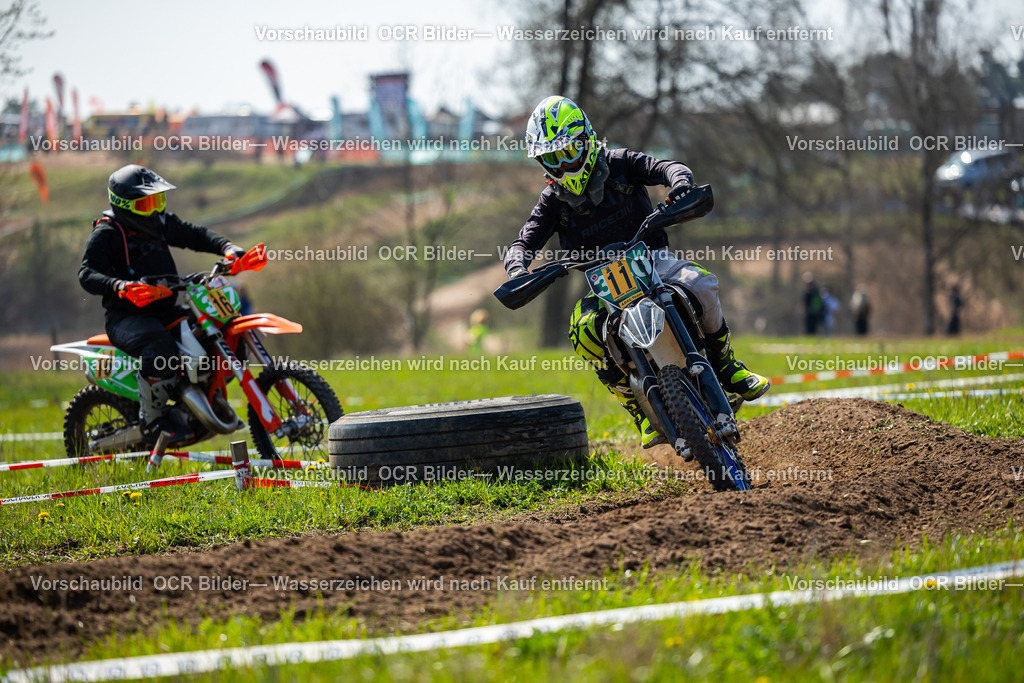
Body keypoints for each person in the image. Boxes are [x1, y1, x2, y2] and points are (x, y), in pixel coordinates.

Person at [503, 96, 770, 448]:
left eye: (568, 153)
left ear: (586, 141)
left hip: (652, 258)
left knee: (701, 283)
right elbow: (524, 240)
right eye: (553, 159)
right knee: (582, 332)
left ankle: (727, 366)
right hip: (601, 283)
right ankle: (639, 410)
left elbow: (667, 167)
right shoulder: (551, 201)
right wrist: (518, 267)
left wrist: (679, 186)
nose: (564, 166)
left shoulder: (620, 162)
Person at [78, 164, 249, 443]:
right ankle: (152, 421)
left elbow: (194, 234)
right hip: (126, 319)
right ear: (125, 205)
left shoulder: (160, 223)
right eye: (147, 203)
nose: (155, 209)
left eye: (158, 200)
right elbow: (86, 274)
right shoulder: (107, 233)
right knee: (161, 348)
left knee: (212, 332)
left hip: (165, 310)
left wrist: (226, 247)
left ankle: (202, 398)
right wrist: (119, 286)